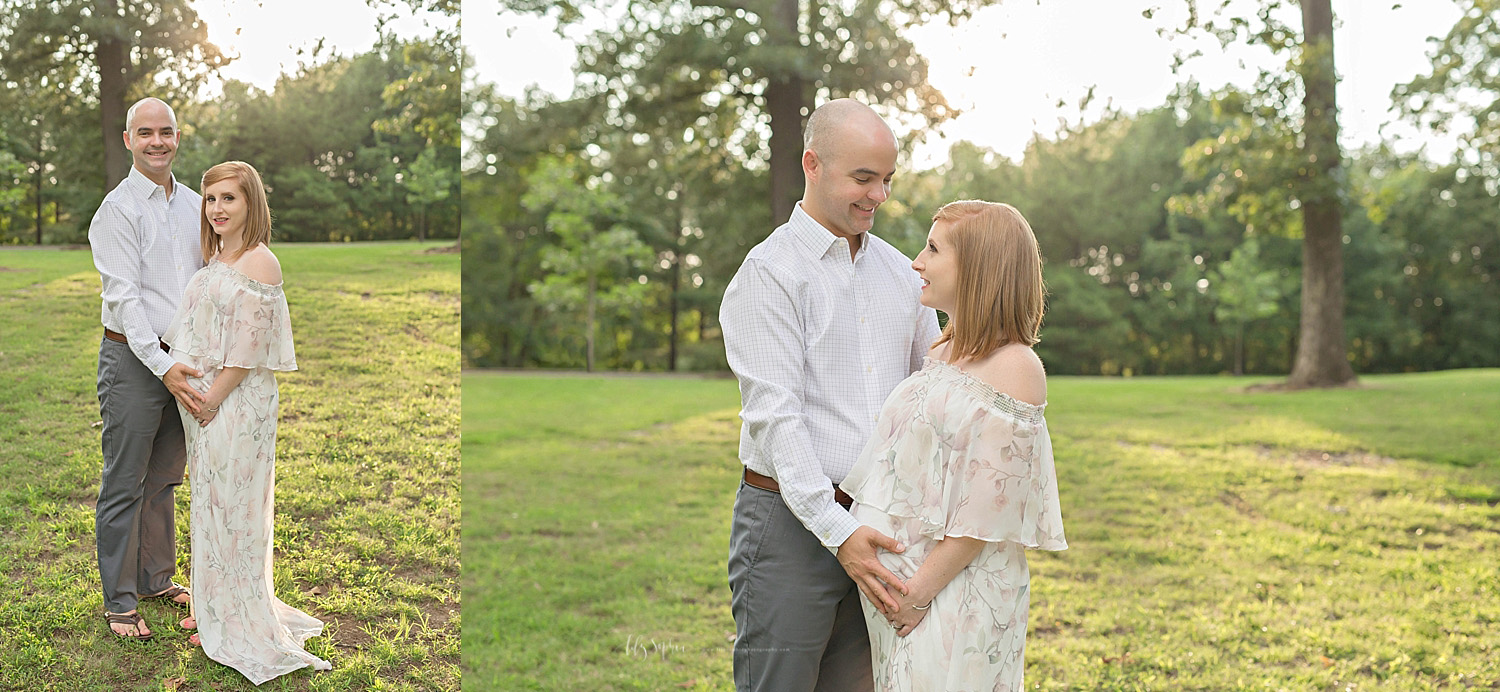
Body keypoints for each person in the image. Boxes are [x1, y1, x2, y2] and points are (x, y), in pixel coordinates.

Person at [720, 98, 942, 692]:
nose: (878, 196)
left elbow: (934, 390)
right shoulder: (769, 273)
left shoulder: (903, 273)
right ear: (812, 164)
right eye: (863, 178)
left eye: (888, 180)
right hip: (789, 529)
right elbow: (775, 419)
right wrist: (836, 530)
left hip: (882, 525)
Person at [839, 200, 1068, 690]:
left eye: (933, 248)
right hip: (902, 595)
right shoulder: (945, 348)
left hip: (952, 596)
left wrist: (916, 594)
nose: (916, 261)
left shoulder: (1016, 367)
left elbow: (986, 510)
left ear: (979, 268)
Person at [164, 161, 331, 683]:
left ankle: (239, 621)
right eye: (211, 199)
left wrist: (211, 398)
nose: (216, 209)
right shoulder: (218, 254)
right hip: (207, 399)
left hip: (236, 400)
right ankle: (216, 611)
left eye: (228, 199)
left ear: (250, 203)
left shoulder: (261, 263)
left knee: (236, 508)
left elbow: (248, 350)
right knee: (212, 505)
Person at [89, 96, 206, 641]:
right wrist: (162, 366)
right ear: (128, 140)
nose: (157, 141)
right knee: (124, 481)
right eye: (146, 133)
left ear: (177, 136)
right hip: (136, 361)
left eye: (166, 131)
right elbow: (126, 300)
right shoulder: (117, 210)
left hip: (185, 359)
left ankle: (157, 578)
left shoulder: (194, 204)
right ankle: (119, 600)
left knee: (162, 479)